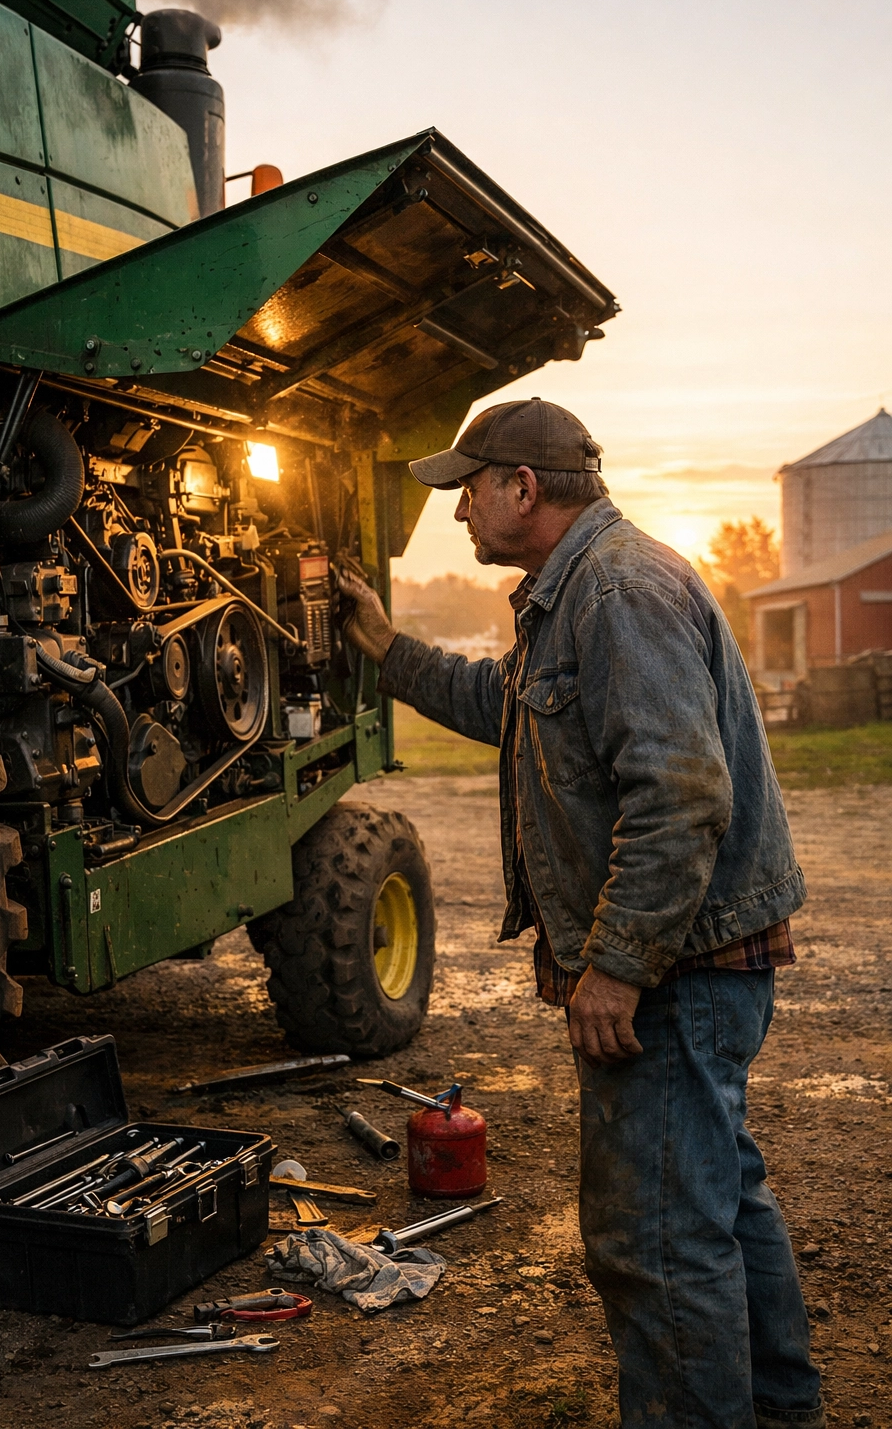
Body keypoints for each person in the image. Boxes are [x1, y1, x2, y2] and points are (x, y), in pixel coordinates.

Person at [337, 397, 824, 1429]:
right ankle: (781, 1411)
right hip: (694, 968)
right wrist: (384, 644)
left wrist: (614, 964)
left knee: (652, 1238)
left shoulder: (616, 591)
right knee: (719, 1202)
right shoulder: (574, 595)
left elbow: (681, 794)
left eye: (468, 487)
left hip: (676, 977)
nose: (458, 511)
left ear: (524, 487)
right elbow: (499, 703)